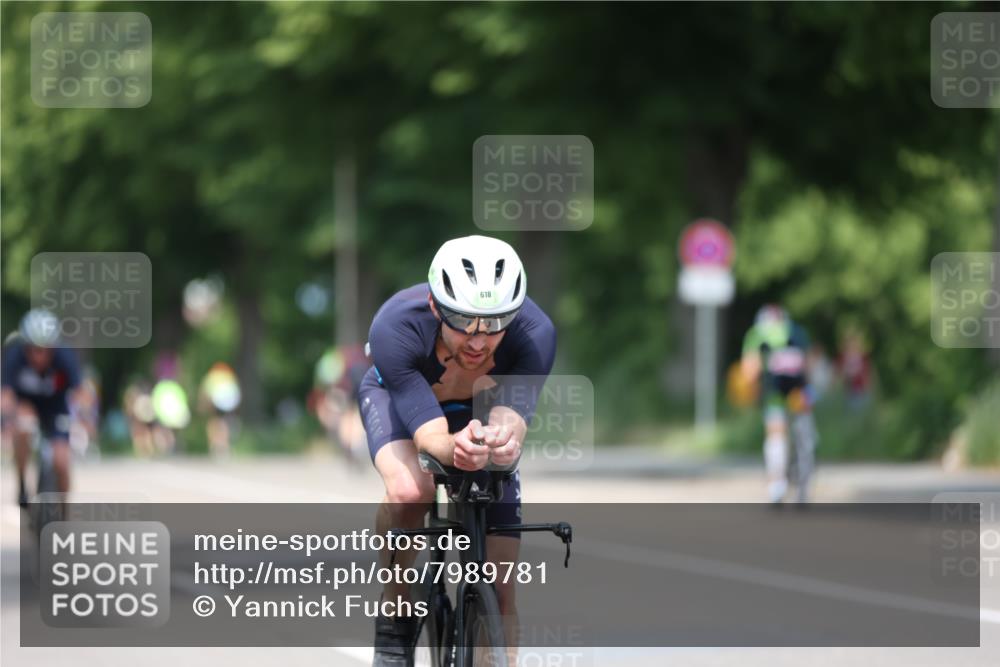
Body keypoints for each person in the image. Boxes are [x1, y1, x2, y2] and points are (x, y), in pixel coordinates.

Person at [360, 235, 555, 666]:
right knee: (411, 492)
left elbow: (510, 423)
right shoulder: (395, 325)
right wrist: (454, 448)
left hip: (481, 408)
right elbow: (431, 438)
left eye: (494, 323)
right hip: (404, 402)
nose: (478, 341)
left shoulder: (535, 333)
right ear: (435, 306)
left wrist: (499, 443)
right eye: (463, 321)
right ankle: (395, 616)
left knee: (502, 588)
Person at [1, 309, 82, 507]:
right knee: (22, 428)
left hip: (56, 408)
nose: (39, 356)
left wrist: (84, 419)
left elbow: (81, 392)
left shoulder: (65, 358)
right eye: (33, 349)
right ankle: (22, 483)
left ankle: (63, 507)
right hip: (26, 405)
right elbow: (6, 394)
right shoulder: (14, 356)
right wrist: (6, 420)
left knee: (61, 461)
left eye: (45, 349)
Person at [740, 304, 818, 505]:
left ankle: (777, 485)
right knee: (804, 438)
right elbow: (808, 366)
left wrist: (754, 392)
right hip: (800, 392)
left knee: (776, 437)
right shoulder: (797, 331)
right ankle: (803, 487)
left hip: (773, 393)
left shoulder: (757, 334)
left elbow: (750, 371)